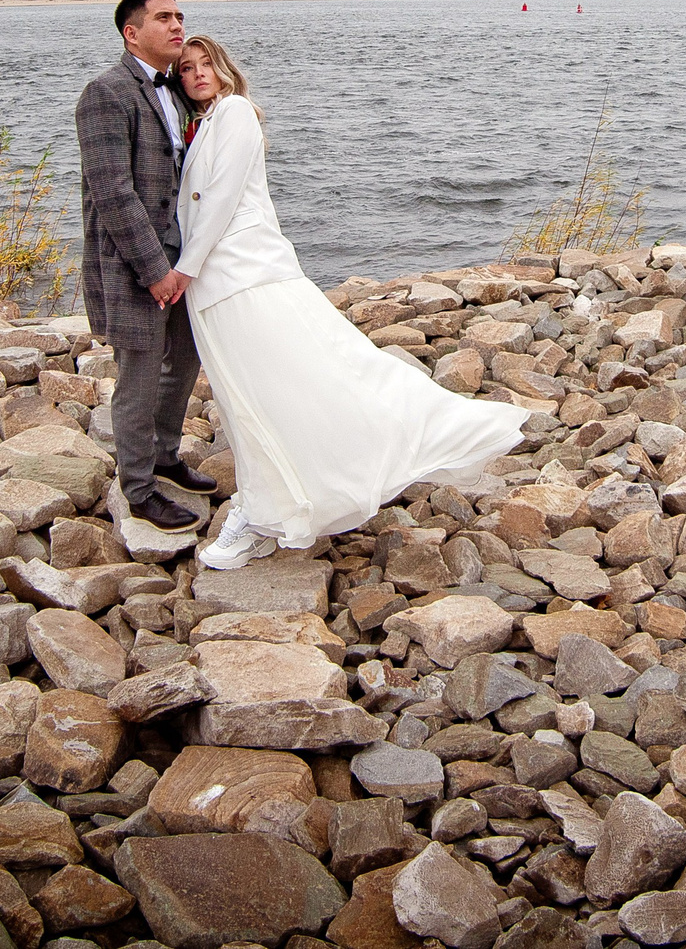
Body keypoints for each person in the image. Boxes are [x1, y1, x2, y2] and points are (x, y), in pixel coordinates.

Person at [170, 34, 531, 570]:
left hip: (246, 272)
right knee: (250, 394)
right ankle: (279, 503)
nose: (198, 73)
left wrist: (184, 268)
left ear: (224, 69)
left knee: (289, 382)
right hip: (216, 281)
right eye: (186, 68)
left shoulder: (237, 112)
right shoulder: (200, 124)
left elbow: (220, 200)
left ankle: (266, 509)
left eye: (207, 63)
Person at [75, 0, 217, 531]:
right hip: (133, 263)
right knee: (138, 374)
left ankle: (165, 455)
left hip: (185, 259)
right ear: (131, 34)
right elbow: (112, 191)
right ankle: (137, 488)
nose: (177, 25)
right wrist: (154, 270)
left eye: (179, 15)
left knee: (185, 359)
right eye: (163, 18)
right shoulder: (105, 93)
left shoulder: (178, 91)